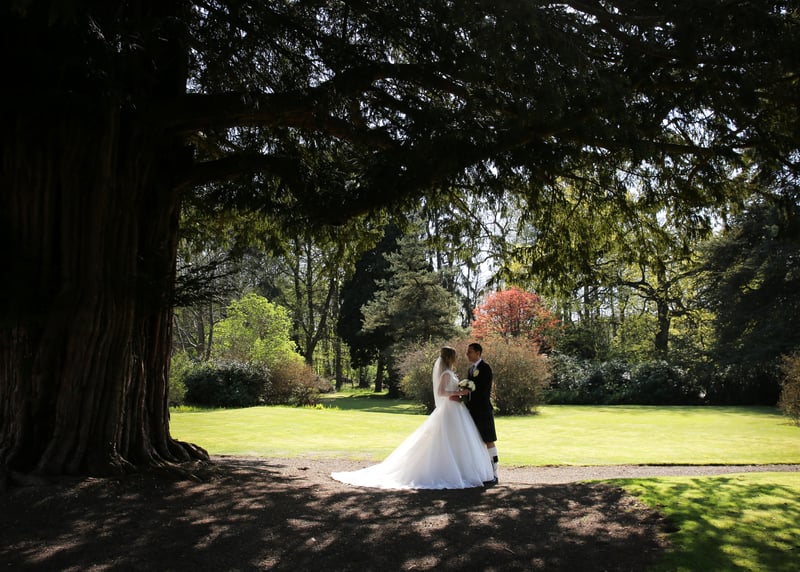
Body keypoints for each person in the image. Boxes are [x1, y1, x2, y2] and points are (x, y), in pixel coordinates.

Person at [331, 346, 494, 489]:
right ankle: (449, 470)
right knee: (447, 439)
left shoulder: (451, 372)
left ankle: (461, 469)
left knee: (458, 440)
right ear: (450, 357)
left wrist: (459, 395)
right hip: (450, 410)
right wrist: (459, 392)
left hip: (456, 409)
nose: (459, 357)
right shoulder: (446, 373)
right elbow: (441, 392)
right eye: (455, 355)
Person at [451, 342, 498, 484]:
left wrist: (468, 393)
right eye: (467, 351)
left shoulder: (485, 368)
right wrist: (462, 398)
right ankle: (481, 471)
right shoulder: (471, 369)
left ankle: (495, 471)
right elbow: (469, 391)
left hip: (483, 409)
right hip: (471, 410)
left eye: (470, 351)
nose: (467, 354)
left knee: (488, 439)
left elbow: (484, 390)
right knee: (474, 440)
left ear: (478, 353)